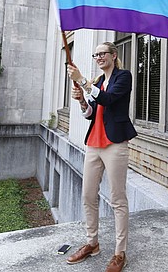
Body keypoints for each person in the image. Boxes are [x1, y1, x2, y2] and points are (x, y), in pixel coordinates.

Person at [65, 41, 137, 272]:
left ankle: (119, 253)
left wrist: (82, 80)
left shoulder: (123, 77)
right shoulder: (97, 82)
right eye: (95, 54)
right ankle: (92, 243)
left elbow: (109, 100)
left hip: (115, 143)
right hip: (94, 144)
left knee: (118, 199)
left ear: (113, 55)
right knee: (88, 195)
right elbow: (91, 114)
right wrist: (81, 101)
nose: (98, 57)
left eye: (102, 53)